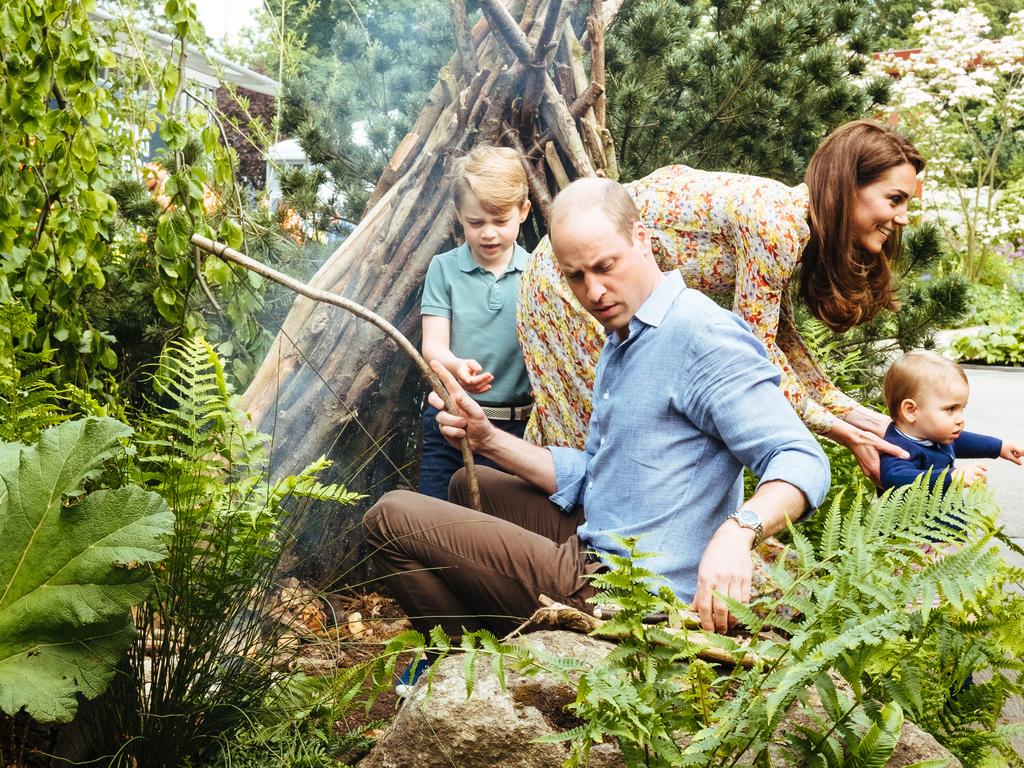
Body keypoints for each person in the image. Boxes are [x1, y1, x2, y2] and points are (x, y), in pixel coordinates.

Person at [364, 178, 830, 694]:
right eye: (576, 276)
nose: (594, 292)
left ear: (643, 239)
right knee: (468, 488)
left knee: (389, 518)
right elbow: (603, 471)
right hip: (609, 534)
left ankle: (480, 663)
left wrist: (739, 531)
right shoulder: (626, 335)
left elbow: (800, 458)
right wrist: (487, 438)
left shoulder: (702, 336)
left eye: (606, 267)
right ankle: (497, 647)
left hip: (629, 595)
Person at [518, 119, 924, 485]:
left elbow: (781, 341)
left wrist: (859, 417)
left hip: (584, 275)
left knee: (593, 430)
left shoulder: (791, 223)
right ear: (848, 186)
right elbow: (758, 356)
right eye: (894, 199)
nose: (903, 217)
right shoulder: (777, 225)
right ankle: (584, 557)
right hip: (564, 278)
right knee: (599, 435)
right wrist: (841, 431)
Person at [418, 146, 534, 499]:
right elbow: (433, 345)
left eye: (500, 221)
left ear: (524, 211)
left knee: (502, 531)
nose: (488, 234)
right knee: (437, 523)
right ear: (459, 215)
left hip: (517, 429)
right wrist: (456, 365)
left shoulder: (537, 273)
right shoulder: (444, 269)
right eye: (476, 222)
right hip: (451, 420)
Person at [879, 350, 1023, 493]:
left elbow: (962, 441)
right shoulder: (899, 448)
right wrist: (950, 477)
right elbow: (894, 478)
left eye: (962, 408)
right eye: (950, 409)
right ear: (911, 410)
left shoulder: (934, 435)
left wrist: (1000, 447)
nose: (960, 419)